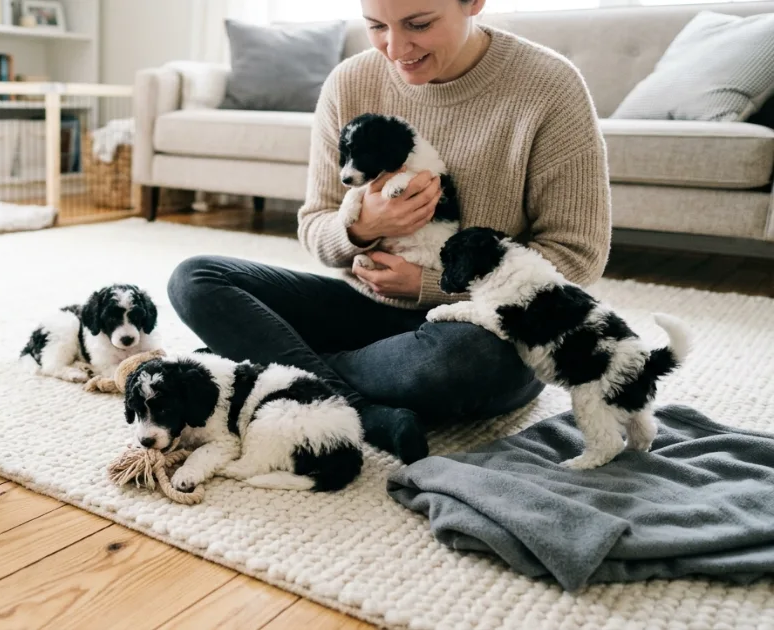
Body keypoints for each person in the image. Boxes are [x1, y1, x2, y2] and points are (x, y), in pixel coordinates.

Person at [167, 0, 611, 464]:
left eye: (419, 24)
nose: (395, 49)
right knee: (195, 278)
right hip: (364, 310)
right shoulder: (351, 81)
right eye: (376, 26)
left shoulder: (550, 86)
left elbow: (577, 256)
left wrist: (432, 286)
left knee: (463, 362)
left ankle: (275, 363)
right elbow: (315, 223)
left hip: (483, 328)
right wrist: (361, 228)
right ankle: (359, 408)